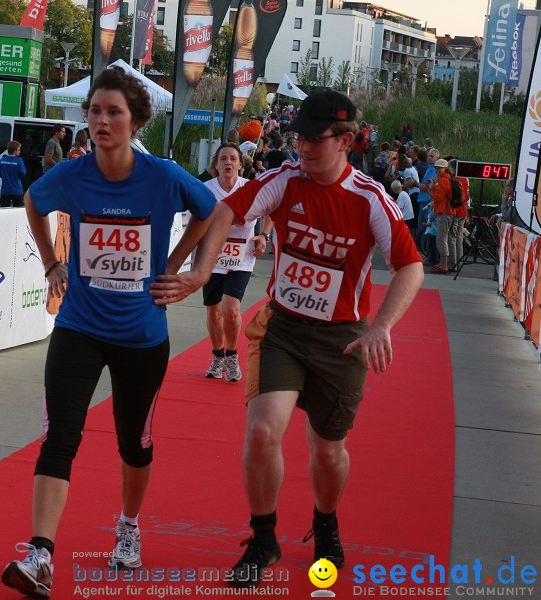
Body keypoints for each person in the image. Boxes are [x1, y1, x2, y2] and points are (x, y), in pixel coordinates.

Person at [151, 89, 423, 588]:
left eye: (314, 139)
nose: (302, 147)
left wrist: (381, 326)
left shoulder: (370, 198)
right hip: (282, 328)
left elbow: (410, 266)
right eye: (298, 136)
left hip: (342, 339)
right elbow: (227, 212)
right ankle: (263, 537)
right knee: (261, 432)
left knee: (327, 450)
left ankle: (325, 519)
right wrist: (200, 271)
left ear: (346, 141)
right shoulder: (284, 180)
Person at [0, 66, 215, 599]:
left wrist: (189, 270)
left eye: (113, 112)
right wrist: (52, 262)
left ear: (135, 120)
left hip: (142, 335)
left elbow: (213, 211)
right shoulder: (72, 175)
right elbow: (33, 201)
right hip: (79, 327)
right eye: (94, 111)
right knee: (60, 436)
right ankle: (41, 555)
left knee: (132, 441)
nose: (100, 120)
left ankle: (128, 524)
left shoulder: (163, 176)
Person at [201, 143, 269, 382]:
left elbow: (270, 210)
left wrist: (264, 235)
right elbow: (193, 219)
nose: (228, 163)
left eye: (232, 159)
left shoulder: (250, 188)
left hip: (242, 257)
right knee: (213, 312)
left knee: (231, 309)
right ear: (216, 165)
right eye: (223, 159)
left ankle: (231, 355)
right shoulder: (205, 190)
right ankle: (218, 355)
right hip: (212, 256)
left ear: (241, 164)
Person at [429, 158, 457, 274]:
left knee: (441, 239)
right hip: (448, 212)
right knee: (446, 239)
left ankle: (444, 265)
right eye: (436, 168)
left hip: (444, 212)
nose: (437, 170)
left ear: (445, 168)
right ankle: (446, 263)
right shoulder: (447, 179)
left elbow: (437, 198)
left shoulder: (443, 180)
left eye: (440, 168)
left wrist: (429, 189)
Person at [0, 140, 27, 208]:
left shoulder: (2, 160)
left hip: (5, 191)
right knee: (17, 212)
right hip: (17, 191)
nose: (20, 151)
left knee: (3, 211)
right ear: (15, 151)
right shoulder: (19, 160)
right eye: (19, 150)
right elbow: (23, 174)